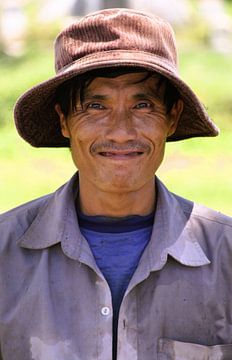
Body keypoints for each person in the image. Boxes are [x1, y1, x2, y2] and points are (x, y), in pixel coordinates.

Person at [0, 8, 232, 360]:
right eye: (95, 105)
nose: (121, 131)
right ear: (64, 121)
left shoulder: (225, 256)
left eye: (143, 104)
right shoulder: (5, 256)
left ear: (172, 118)